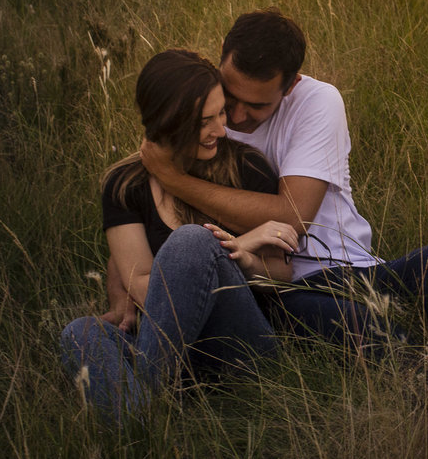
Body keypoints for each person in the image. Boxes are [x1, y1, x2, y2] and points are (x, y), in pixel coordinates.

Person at [140, 8, 428, 384]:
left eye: (257, 105)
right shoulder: (205, 110)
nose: (237, 117)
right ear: (222, 51)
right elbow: (138, 201)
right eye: (230, 96)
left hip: (352, 269)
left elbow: (293, 216)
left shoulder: (317, 101)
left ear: (290, 85)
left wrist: (173, 178)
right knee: (367, 331)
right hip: (273, 286)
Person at [60, 49, 299, 425]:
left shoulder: (247, 167)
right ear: (168, 122)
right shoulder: (125, 186)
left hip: (237, 346)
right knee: (79, 331)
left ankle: (148, 408)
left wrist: (237, 254)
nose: (221, 129)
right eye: (205, 121)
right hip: (166, 344)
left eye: (221, 113)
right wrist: (237, 242)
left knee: (192, 242)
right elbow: (137, 284)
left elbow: (282, 278)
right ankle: (140, 425)